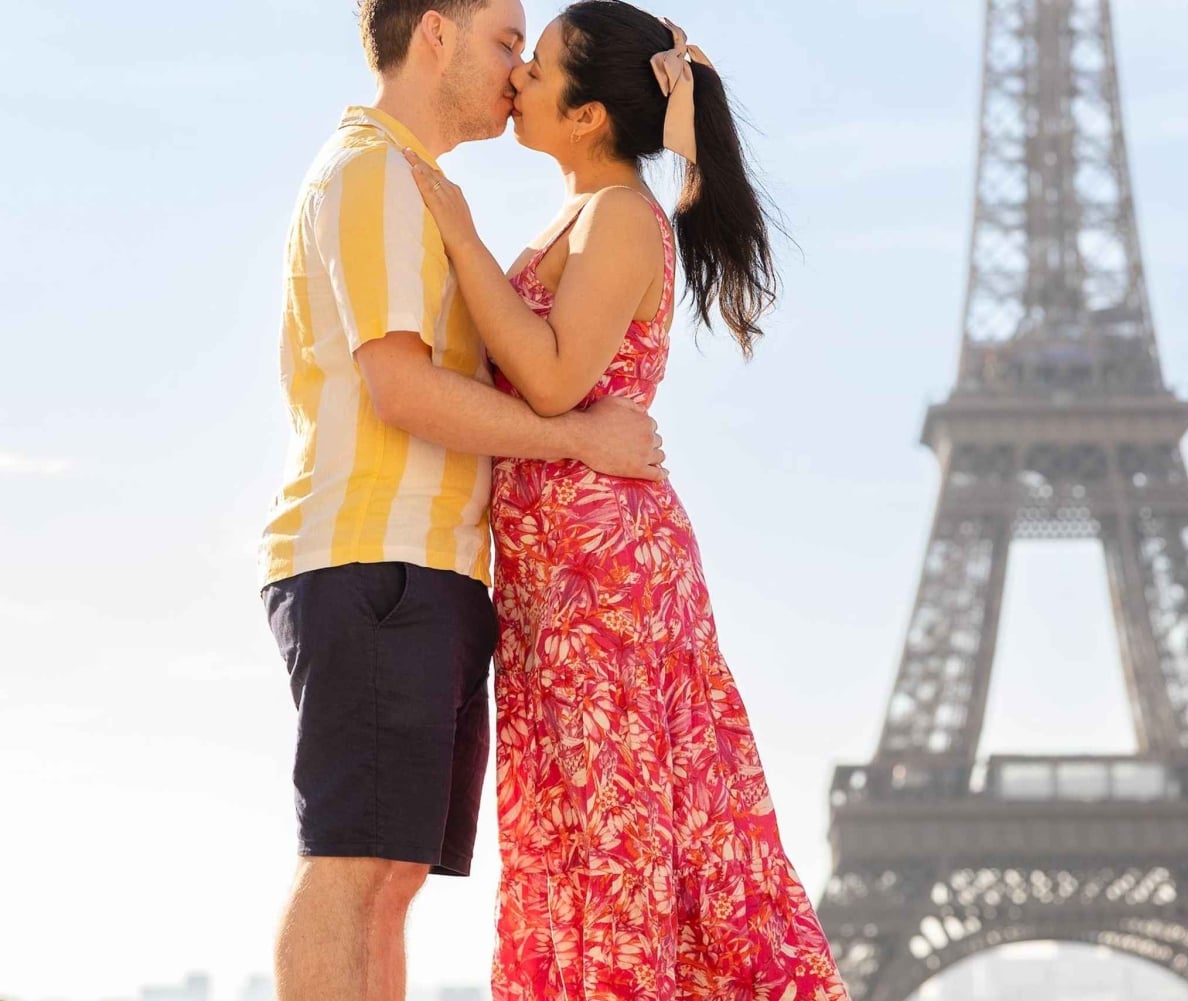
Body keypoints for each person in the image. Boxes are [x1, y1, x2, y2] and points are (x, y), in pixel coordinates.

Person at [404, 3, 849, 998]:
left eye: (539, 65)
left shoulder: (618, 217)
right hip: (556, 584)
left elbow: (556, 380)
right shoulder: (577, 212)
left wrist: (459, 235)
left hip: (604, 584)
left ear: (591, 114)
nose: (516, 77)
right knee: (583, 837)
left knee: (614, 840)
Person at [257, 2, 666, 1000]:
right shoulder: (371, 173)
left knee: (391, 874)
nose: (518, 69)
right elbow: (399, 387)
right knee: (353, 862)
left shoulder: (419, 187)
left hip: (428, 568)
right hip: (375, 559)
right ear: (434, 32)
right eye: (503, 41)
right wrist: (577, 436)